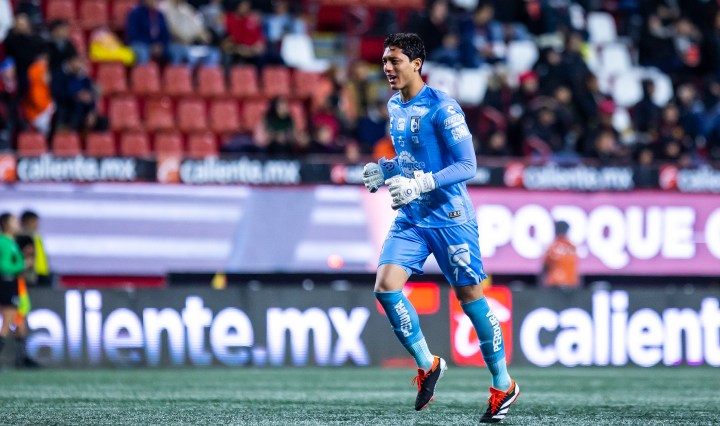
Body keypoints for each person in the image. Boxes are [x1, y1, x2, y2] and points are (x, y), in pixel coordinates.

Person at [362, 33, 519, 423]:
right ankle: (428, 363)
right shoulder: (394, 105)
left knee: (470, 297)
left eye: (394, 61)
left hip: (450, 218)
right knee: (385, 287)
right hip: (412, 216)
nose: (387, 68)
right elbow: (409, 160)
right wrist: (385, 170)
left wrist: (422, 184)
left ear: (416, 64)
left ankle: (503, 385)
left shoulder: (442, 107)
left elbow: (468, 165)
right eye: (384, 61)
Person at [0, 212, 39, 368]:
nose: (17, 224)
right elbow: (4, 266)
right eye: (14, 221)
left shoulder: (12, 242)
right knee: (7, 322)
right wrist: (23, 264)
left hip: (13, 283)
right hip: (6, 282)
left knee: (16, 321)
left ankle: (21, 359)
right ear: (6, 224)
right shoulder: (3, 242)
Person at [541, 220, 579, 288]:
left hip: (554, 284)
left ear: (556, 230)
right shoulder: (572, 247)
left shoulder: (552, 247)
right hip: (570, 284)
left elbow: (544, 268)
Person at [18, 210, 49, 286]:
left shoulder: (37, 236)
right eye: (34, 221)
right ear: (26, 221)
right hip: (30, 275)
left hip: (42, 272)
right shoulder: (22, 237)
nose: (36, 224)